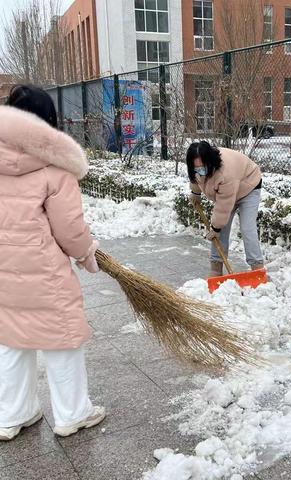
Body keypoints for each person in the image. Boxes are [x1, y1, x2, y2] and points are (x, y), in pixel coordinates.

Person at [0, 85, 105, 441]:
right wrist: (87, 253)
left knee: (11, 340)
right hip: (44, 273)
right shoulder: (55, 168)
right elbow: (70, 229)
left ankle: (13, 415)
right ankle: (72, 414)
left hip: (3, 273)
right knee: (62, 337)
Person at [186, 141, 264, 277]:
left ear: (210, 162)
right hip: (229, 189)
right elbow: (197, 179)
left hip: (249, 185)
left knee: (247, 228)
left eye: (202, 168)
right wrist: (195, 193)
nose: (200, 172)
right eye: (196, 169)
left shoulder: (224, 173)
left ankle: (257, 268)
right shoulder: (199, 168)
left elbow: (223, 206)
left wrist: (215, 229)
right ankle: (216, 268)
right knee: (220, 229)